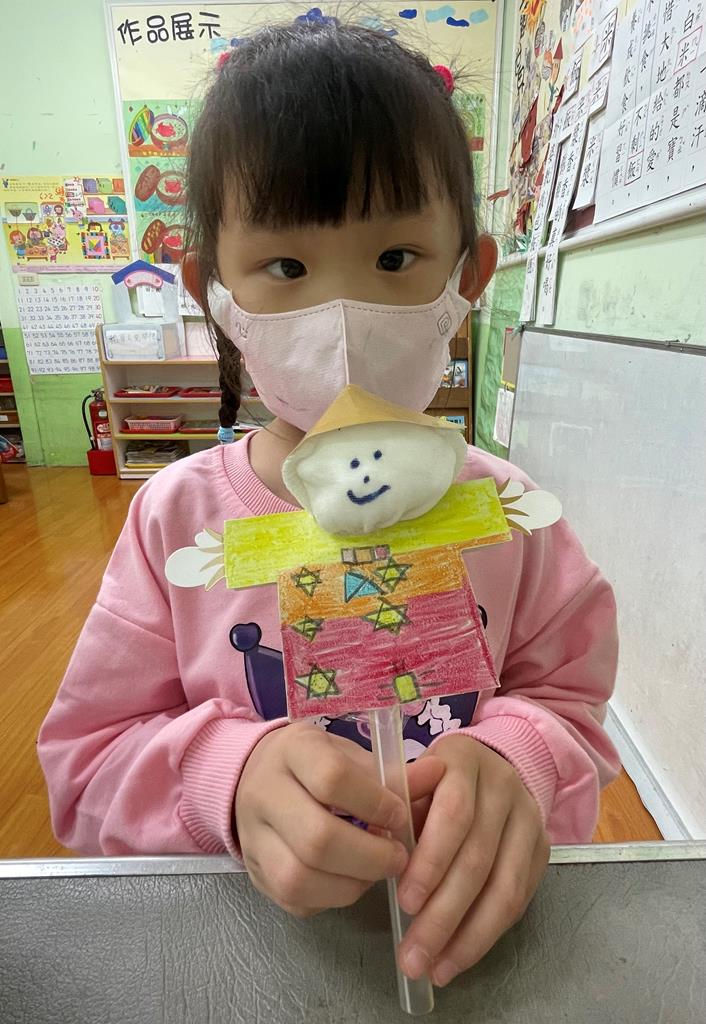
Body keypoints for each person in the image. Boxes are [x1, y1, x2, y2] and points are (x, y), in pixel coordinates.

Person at [38, 22, 620, 989]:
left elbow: (573, 707)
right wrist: (224, 777)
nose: (344, 315)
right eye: (286, 268)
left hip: (462, 935)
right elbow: (86, 763)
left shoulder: (509, 515)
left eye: (396, 258)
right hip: (251, 954)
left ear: (468, 277)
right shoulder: (176, 522)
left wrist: (520, 756)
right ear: (213, 291)